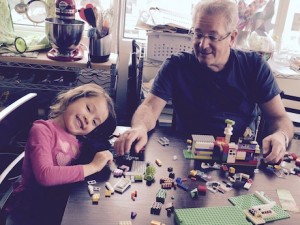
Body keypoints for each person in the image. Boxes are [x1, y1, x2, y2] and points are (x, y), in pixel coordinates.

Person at [114, 0, 294, 164]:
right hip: (186, 158)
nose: (202, 44)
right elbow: (149, 108)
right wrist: (139, 128)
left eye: (213, 37)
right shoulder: (176, 65)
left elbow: (279, 118)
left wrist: (281, 136)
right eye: (198, 34)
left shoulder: (255, 67)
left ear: (231, 38)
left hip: (236, 160)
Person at [6, 83, 116, 225]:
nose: (88, 119)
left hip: (57, 202)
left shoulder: (76, 139)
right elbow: (45, 175)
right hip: (32, 208)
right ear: (72, 98)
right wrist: (93, 166)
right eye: (88, 109)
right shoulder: (42, 131)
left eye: (95, 122)